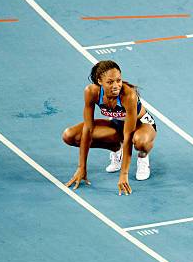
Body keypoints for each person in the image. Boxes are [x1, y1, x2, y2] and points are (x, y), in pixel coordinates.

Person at [62, 60, 157, 195]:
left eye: (118, 80)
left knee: (140, 142)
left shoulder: (128, 95)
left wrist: (124, 174)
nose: (116, 85)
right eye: (110, 82)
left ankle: (143, 157)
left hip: (141, 125)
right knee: (70, 136)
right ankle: (116, 149)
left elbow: (128, 136)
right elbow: (88, 130)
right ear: (99, 81)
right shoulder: (91, 92)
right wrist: (82, 167)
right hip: (116, 125)